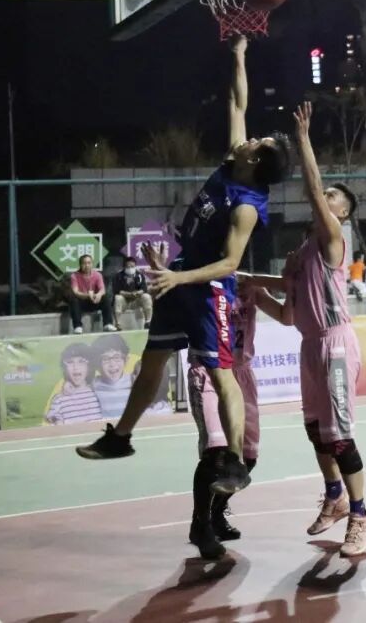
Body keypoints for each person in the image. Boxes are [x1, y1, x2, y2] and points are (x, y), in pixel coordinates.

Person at [75, 34, 291, 501]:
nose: (249, 138)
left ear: (257, 160)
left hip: (209, 291)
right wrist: (239, 55)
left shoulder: (246, 205)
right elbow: (237, 102)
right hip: (182, 277)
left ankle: (235, 461)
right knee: (152, 360)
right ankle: (121, 437)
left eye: (257, 141)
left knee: (221, 374)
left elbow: (230, 263)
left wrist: (177, 276)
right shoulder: (232, 163)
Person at [251, 102, 366, 557]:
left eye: (334, 197)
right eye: (329, 195)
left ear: (342, 213)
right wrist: (253, 290)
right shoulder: (301, 255)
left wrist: (303, 140)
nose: (327, 198)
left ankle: (361, 514)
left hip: (336, 344)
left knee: (339, 435)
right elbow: (287, 314)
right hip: (309, 345)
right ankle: (335, 496)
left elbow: (314, 190)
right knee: (316, 430)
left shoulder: (334, 239)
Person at [187, 283, 261, 559]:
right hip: (209, 370)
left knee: (247, 458)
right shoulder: (199, 284)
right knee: (216, 454)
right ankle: (201, 525)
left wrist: (289, 280)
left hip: (241, 373)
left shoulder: (249, 286)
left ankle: (216, 513)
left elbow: (287, 316)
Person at [45, 342, 103, 425]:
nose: (76, 367)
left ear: (89, 367)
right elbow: (52, 417)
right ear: (65, 368)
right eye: (70, 362)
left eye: (81, 361)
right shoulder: (59, 399)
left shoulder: (98, 393)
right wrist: (57, 421)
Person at [68, 254, 117, 333]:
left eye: (89, 263)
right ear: (80, 264)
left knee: (105, 298)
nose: (87, 265)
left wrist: (98, 295)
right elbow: (75, 292)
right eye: (84, 263)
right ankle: (78, 326)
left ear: (92, 264)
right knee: (74, 300)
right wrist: (87, 295)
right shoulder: (74, 276)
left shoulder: (98, 275)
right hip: (82, 301)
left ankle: (108, 324)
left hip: (94, 300)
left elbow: (102, 290)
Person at [92, 333, 133, 418]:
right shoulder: (93, 385)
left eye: (117, 357)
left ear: (125, 360)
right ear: (97, 364)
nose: (112, 364)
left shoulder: (134, 381)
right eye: (105, 359)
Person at [112, 257, 153, 328]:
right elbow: (116, 290)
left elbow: (144, 289)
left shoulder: (139, 275)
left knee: (146, 296)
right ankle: (118, 323)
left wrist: (138, 293)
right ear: (124, 267)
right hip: (125, 301)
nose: (130, 268)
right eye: (128, 266)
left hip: (136, 299)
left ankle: (148, 322)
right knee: (117, 298)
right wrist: (129, 294)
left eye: (132, 266)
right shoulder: (118, 276)